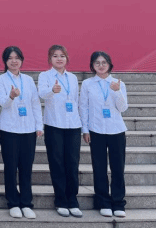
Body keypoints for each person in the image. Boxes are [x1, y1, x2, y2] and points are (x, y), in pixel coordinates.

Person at [0, 46, 43, 219]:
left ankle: (26, 203)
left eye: (17, 58)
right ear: (5, 61)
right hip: (9, 129)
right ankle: (13, 202)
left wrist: (39, 125)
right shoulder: (0, 79)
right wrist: (11, 96)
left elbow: (35, 103)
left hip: (28, 129)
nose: (14, 61)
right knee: (10, 167)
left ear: (21, 60)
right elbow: (2, 103)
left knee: (26, 168)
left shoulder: (28, 80)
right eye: (10, 58)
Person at [79, 51, 128, 218]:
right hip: (96, 130)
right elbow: (83, 107)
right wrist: (85, 130)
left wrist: (117, 91)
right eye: (97, 63)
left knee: (118, 168)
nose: (101, 65)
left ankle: (118, 202)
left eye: (104, 62)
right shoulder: (87, 84)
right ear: (92, 66)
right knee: (99, 168)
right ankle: (103, 202)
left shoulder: (118, 83)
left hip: (116, 130)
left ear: (109, 64)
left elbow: (123, 108)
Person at [38, 45, 83, 218]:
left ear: (67, 58)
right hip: (54, 124)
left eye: (62, 56)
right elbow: (41, 94)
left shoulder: (72, 78)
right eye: (55, 56)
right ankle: (61, 200)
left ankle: (73, 200)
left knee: (72, 163)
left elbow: (76, 100)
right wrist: (52, 90)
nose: (59, 59)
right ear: (50, 59)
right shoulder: (45, 76)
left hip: (73, 125)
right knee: (57, 163)